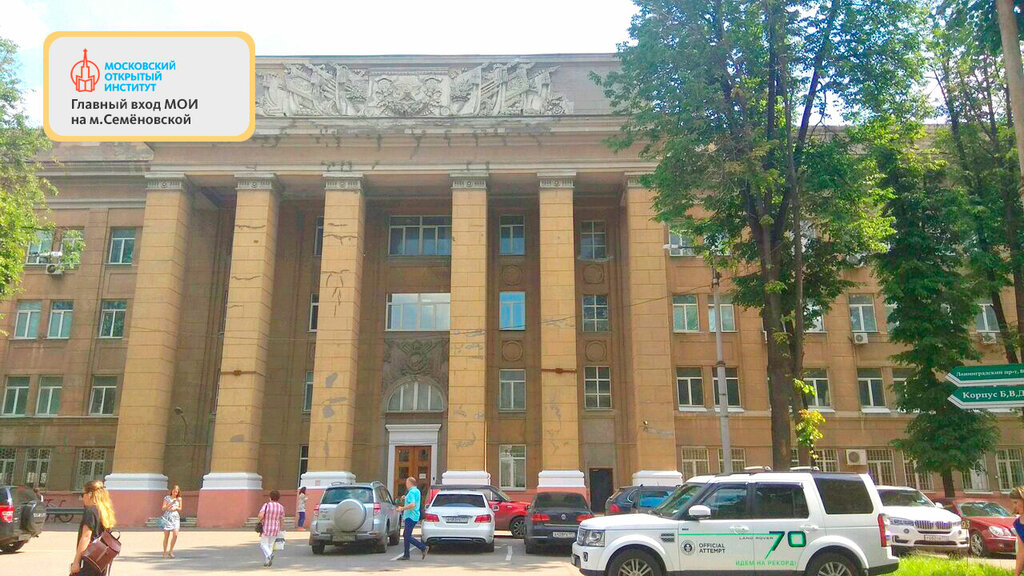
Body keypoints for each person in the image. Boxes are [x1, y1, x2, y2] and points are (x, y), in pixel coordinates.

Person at [70, 480, 117, 575]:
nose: (82, 498)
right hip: (100, 560)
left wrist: (76, 562)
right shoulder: (105, 511)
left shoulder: (90, 511)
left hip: (89, 559)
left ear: (90, 494)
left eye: (83, 494)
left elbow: (86, 537)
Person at [395, 476, 427, 561]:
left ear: (409, 483)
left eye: (406, 483)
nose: (406, 484)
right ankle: (406, 554)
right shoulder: (416, 491)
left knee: (406, 535)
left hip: (410, 516)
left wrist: (402, 508)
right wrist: (405, 498)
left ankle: (423, 547)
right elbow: (413, 501)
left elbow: (412, 504)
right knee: (407, 535)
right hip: (414, 515)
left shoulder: (411, 492)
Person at [258, 490, 285, 567]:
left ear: (270, 497)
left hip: (266, 527)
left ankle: (269, 554)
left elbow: (260, 515)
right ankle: (267, 561)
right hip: (275, 528)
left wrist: (260, 520)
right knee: (270, 544)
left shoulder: (266, 505)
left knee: (263, 544)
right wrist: (280, 528)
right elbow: (282, 519)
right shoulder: (281, 507)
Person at [161, 485, 183, 558]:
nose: (175, 493)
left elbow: (180, 508)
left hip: (175, 517)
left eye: (176, 492)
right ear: (171, 491)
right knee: (166, 536)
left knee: (175, 534)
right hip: (167, 517)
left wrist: (176, 508)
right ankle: (164, 552)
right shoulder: (167, 498)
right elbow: (163, 508)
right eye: (174, 491)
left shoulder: (179, 499)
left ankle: (171, 551)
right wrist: (170, 504)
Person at [1013, 486, 1024, 576]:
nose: (1014, 506)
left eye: (1016, 502)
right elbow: (1021, 552)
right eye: (1013, 503)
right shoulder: (1017, 524)